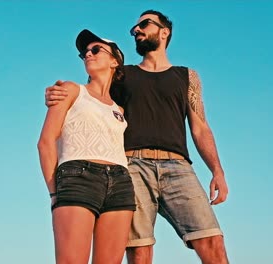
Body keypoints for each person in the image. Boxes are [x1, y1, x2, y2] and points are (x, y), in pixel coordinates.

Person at [46, 10, 229, 264]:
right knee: (140, 250)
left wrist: (217, 170)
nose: (137, 31)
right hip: (131, 166)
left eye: (144, 24)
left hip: (178, 166)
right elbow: (92, 94)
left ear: (164, 32)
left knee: (212, 241)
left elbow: (200, 127)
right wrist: (58, 94)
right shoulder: (124, 75)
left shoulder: (187, 77)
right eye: (134, 29)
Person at [37, 29, 135, 264]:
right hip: (77, 177)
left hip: (121, 183)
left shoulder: (119, 110)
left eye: (95, 49)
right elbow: (45, 142)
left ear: (115, 61)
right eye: (84, 53)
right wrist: (54, 193)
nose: (88, 54)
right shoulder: (71, 90)